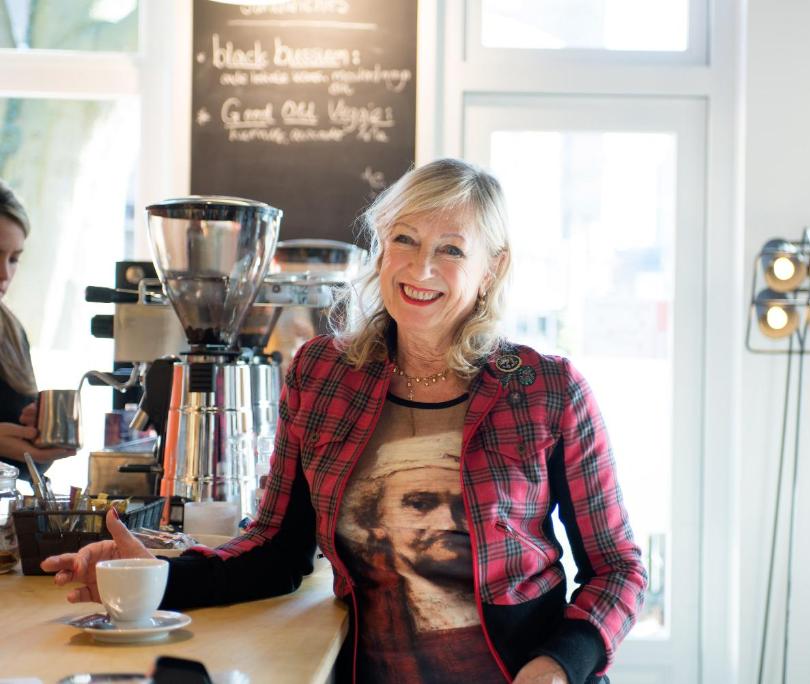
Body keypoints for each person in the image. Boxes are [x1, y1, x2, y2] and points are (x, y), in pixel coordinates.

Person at [42, 159, 648, 684]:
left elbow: (618, 568)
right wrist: (153, 578)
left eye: (452, 250)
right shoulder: (323, 375)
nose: (421, 268)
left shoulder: (545, 388)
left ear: (492, 268)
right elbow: (275, 552)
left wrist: (561, 664)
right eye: (405, 239)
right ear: (381, 246)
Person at [0, 180, 74, 480]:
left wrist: (41, 436)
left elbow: (24, 469)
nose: (5, 274)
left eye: (14, 259)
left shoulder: (9, 332)